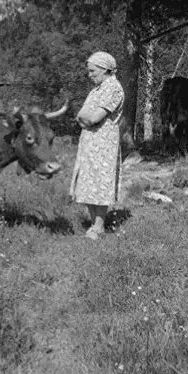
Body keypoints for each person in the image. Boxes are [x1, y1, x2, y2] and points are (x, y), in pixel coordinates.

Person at [70, 51, 125, 240]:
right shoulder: (96, 90)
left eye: (92, 71)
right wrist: (85, 118)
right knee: (87, 181)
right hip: (89, 142)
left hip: (104, 143)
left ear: (104, 69)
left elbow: (93, 117)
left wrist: (86, 118)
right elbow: (80, 116)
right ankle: (94, 222)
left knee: (100, 182)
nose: (89, 75)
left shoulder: (114, 88)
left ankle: (99, 225)